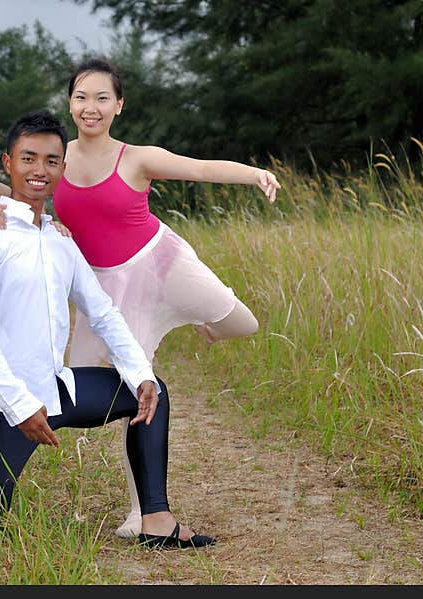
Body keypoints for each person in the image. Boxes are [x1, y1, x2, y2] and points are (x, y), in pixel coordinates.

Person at [0, 110, 215, 549]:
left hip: (55, 389)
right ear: (8, 164)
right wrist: (20, 405)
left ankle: (156, 520)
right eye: (29, 158)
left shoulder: (59, 240)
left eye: (51, 161)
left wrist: (140, 373)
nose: (40, 170)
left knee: (152, 393)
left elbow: (104, 312)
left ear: (62, 169)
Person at [51, 58, 282, 538]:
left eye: (101, 98)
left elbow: (198, 168)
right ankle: (143, 514)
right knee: (132, 393)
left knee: (243, 323)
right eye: (80, 97)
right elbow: (11, 185)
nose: (89, 107)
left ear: (119, 105)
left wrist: (254, 174)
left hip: (157, 264)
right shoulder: (56, 157)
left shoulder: (136, 158)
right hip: (103, 290)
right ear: (69, 102)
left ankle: (197, 320)